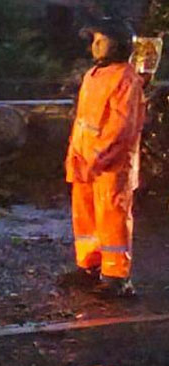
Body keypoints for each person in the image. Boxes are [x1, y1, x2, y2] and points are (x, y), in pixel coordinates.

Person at [60, 18, 145, 298]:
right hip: (86, 161)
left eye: (101, 39)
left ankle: (116, 275)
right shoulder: (93, 76)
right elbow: (83, 121)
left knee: (112, 217)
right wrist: (76, 155)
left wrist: (97, 156)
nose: (95, 45)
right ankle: (90, 266)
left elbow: (121, 127)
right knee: (85, 216)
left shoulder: (126, 78)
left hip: (112, 166)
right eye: (94, 39)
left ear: (118, 45)